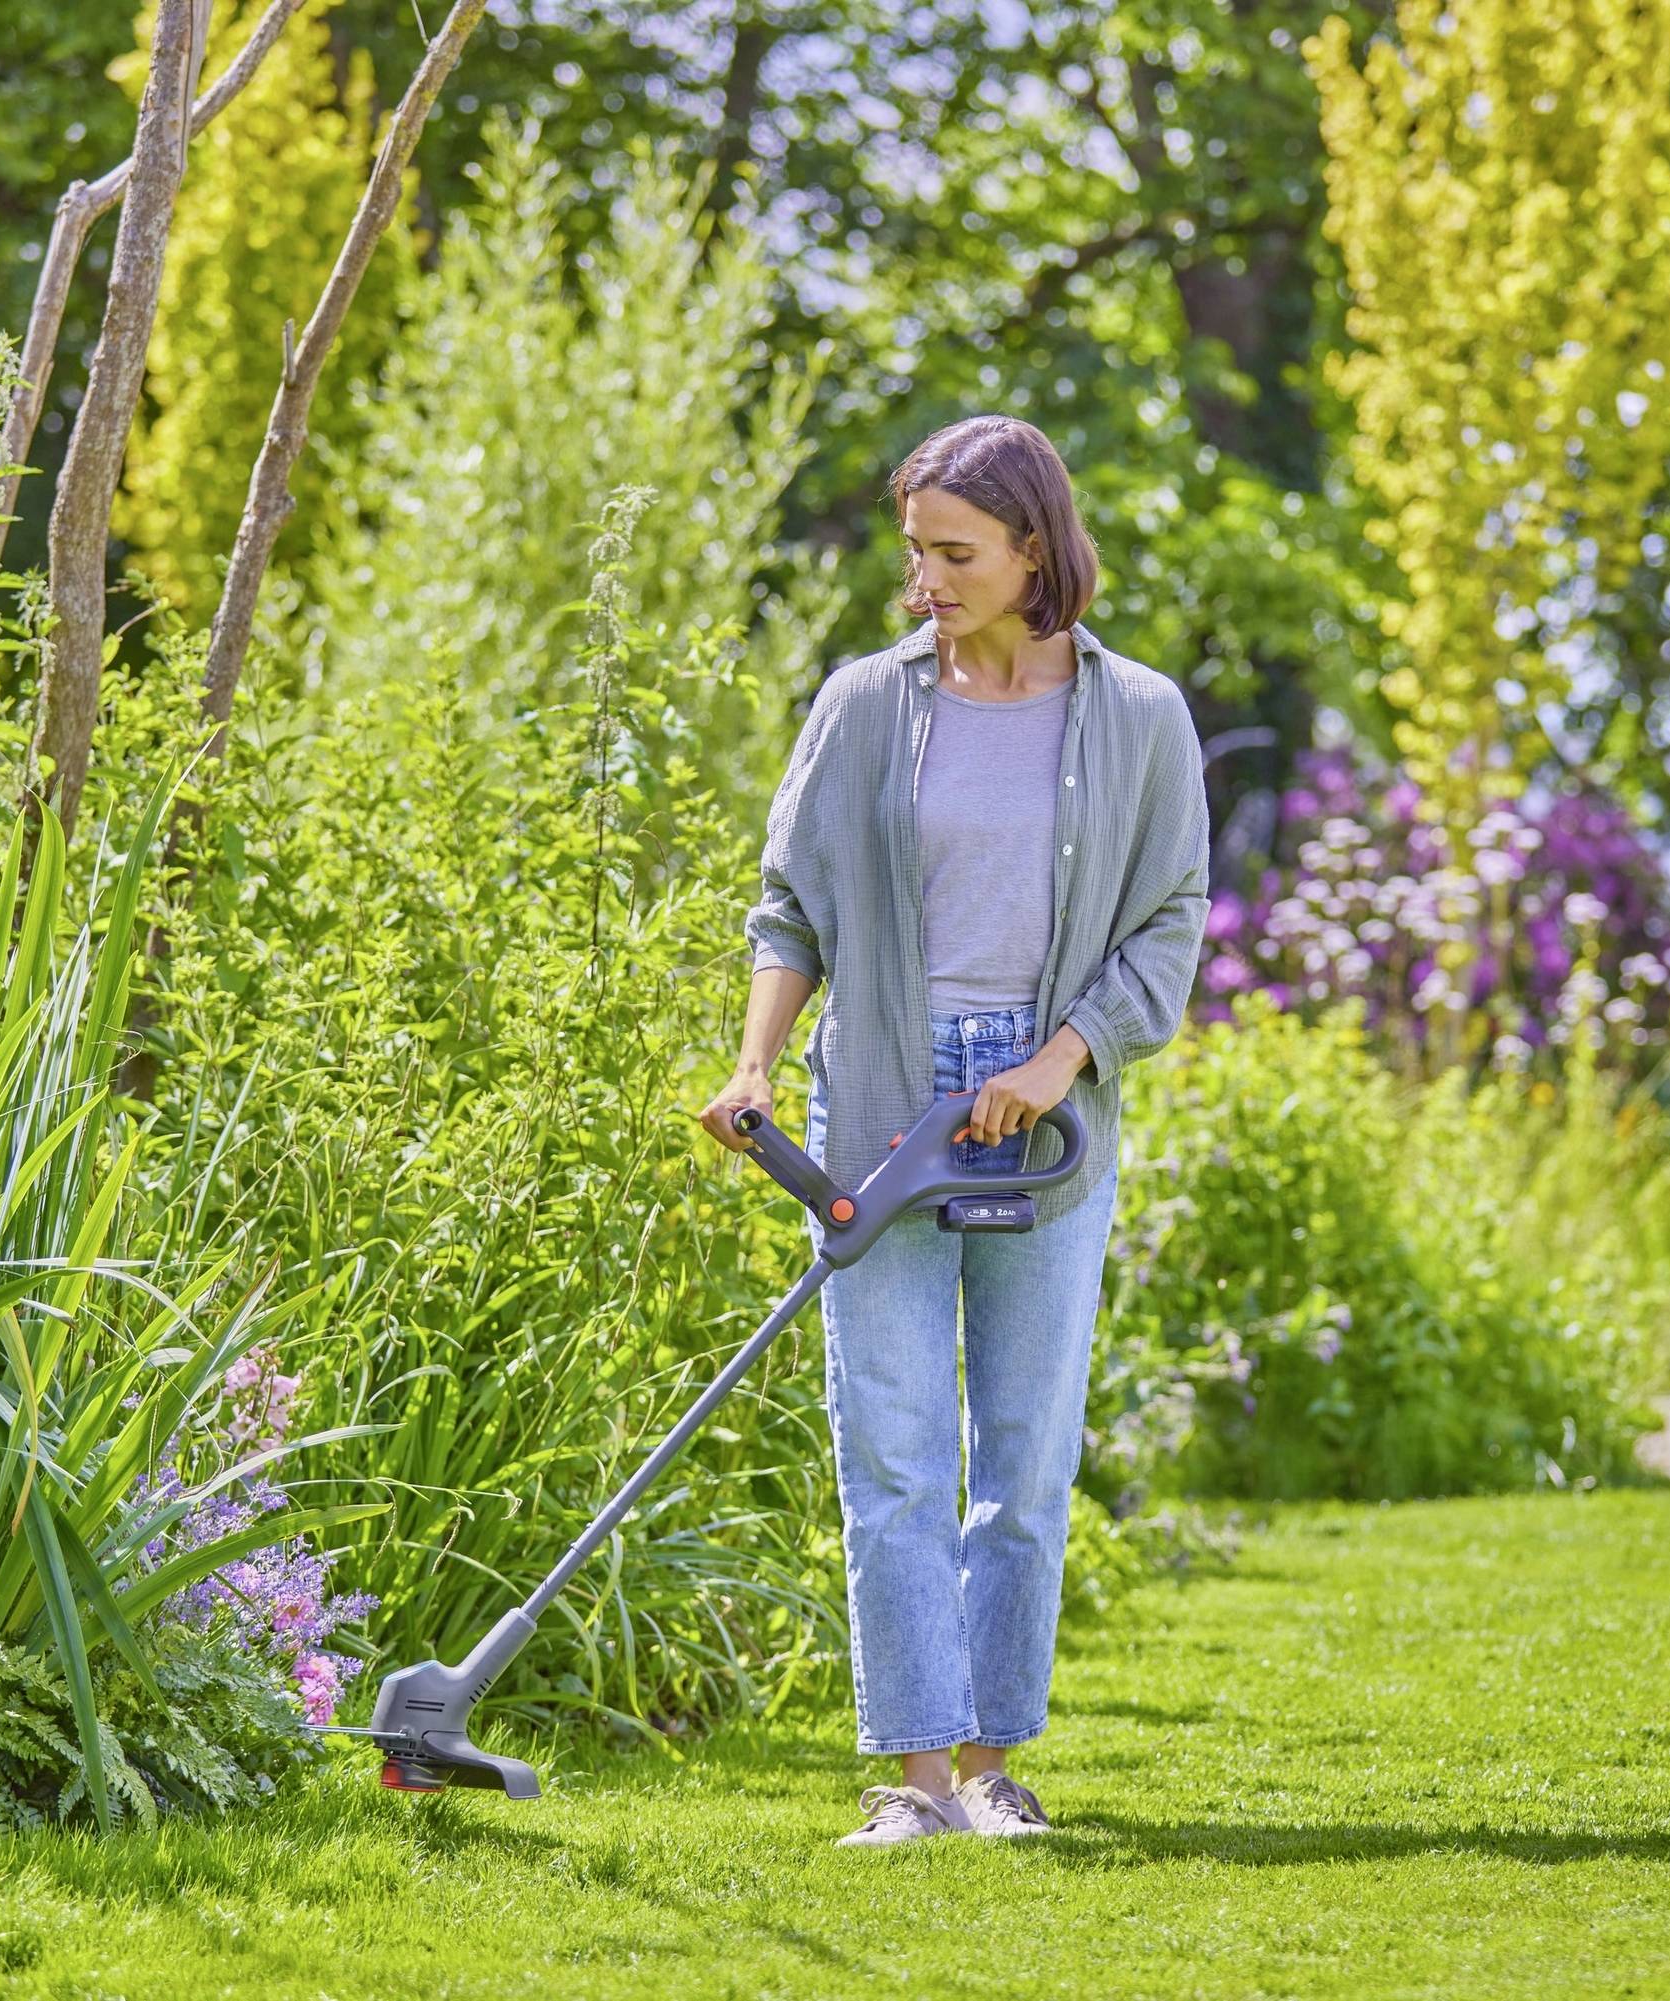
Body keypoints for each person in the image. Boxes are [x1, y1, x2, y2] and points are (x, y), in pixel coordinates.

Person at [698, 414, 1209, 1848]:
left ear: (1035, 547)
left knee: (1024, 1452)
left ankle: (991, 1769)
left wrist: (1063, 1057)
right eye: (915, 547)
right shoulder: (866, 703)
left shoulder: (1139, 716)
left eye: (955, 551)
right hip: (881, 1103)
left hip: (1043, 1120)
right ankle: (913, 1782)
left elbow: (1173, 920)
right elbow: (791, 905)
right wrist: (753, 1063)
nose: (923, 575)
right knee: (898, 1446)